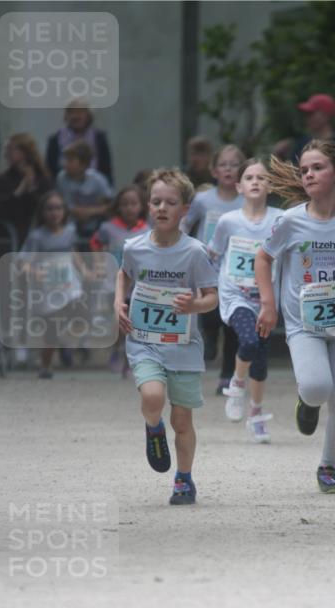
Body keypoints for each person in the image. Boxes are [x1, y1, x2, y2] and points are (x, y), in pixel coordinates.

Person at [255, 140, 335, 494]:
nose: (308, 174)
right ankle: (306, 403)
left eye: (317, 168)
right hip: (303, 324)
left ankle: (327, 467)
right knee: (316, 387)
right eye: (305, 169)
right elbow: (263, 258)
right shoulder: (290, 221)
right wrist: (268, 304)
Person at [115, 168, 218, 506]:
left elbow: (211, 296)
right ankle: (153, 426)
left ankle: (184, 480)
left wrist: (194, 305)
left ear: (185, 209)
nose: (162, 208)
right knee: (152, 397)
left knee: (183, 420)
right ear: (148, 205)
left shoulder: (194, 252)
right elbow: (124, 274)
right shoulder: (134, 247)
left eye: (170, 203)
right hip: (145, 342)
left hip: (183, 347)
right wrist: (119, 301)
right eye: (156, 201)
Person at [208, 159, 281, 443]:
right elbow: (213, 254)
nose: (255, 182)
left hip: (265, 298)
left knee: (261, 359)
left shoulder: (279, 219)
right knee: (248, 341)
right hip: (235, 294)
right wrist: (207, 286)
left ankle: (256, 413)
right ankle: (237, 384)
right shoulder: (228, 221)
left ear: (270, 186)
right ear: (239, 186)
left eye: (261, 178)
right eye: (249, 177)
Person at [181, 144, 245, 392]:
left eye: (234, 164)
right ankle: (208, 336)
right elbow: (186, 224)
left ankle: (226, 377)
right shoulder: (202, 199)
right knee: (210, 313)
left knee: (232, 327)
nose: (228, 169)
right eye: (223, 164)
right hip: (207, 265)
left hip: (236, 270)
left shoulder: (245, 200)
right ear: (214, 171)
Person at [20, 190, 86, 378]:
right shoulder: (37, 236)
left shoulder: (71, 231)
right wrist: (34, 272)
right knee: (51, 331)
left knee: (80, 311)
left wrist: (84, 270)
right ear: (42, 212)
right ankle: (45, 366)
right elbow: (23, 262)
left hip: (70, 285)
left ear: (64, 211)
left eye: (58, 208)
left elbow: (74, 253)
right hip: (48, 289)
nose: (54, 213)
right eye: (49, 209)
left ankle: (66, 342)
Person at [89, 185, 150, 375]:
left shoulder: (147, 229)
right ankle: (117, 348)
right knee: (117, 320)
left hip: (137, 283)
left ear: (141, 206)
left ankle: (128, 356)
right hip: (112, 281)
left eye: (133, 204)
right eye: (124, 204)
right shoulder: (108, 227)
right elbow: (95, 242)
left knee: (132, 321)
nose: (129, 208)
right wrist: (99, 261)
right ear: (118, 206)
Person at [0, 133, 52, 246]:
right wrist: (19, 190)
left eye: (11, 149)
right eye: (6, 149)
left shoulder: (42, 178)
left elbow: (46, 205)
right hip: (10, 234)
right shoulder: (3, 179)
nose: (6, 154)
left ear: (25, 152)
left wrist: (31, 189)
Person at [56, 140, 112, 242]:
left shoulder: (98, 180)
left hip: (95, 227)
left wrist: (90, 212)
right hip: (69, 227)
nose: (65, 164)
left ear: (84, 163)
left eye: (70, 160)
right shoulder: (61, 178)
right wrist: (78, 212)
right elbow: (63, 204)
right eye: (66, 160)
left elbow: (109, 206)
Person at [45, 99, 113, 183]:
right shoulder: (55, 139)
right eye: (71, 112)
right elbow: (49, 171)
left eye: (80, 112)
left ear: (88, 115)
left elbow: (106, 169)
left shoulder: (99, 138)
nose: (75, 116)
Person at [290, 93, 335, 164]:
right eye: (307, 114)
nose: (307, 118)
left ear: (325, 115)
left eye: (311, 114)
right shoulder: (302, 143)